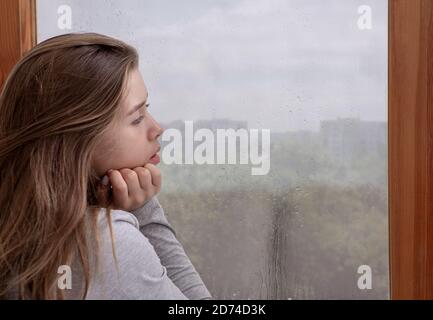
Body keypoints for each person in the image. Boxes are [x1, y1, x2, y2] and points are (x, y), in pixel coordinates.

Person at [0, 32, 212, 300]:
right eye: (137, 118)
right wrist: (143, 211)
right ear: (77, 142)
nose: (157, 129)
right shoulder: (109, 244)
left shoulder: (16, 230)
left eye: (147, 108)